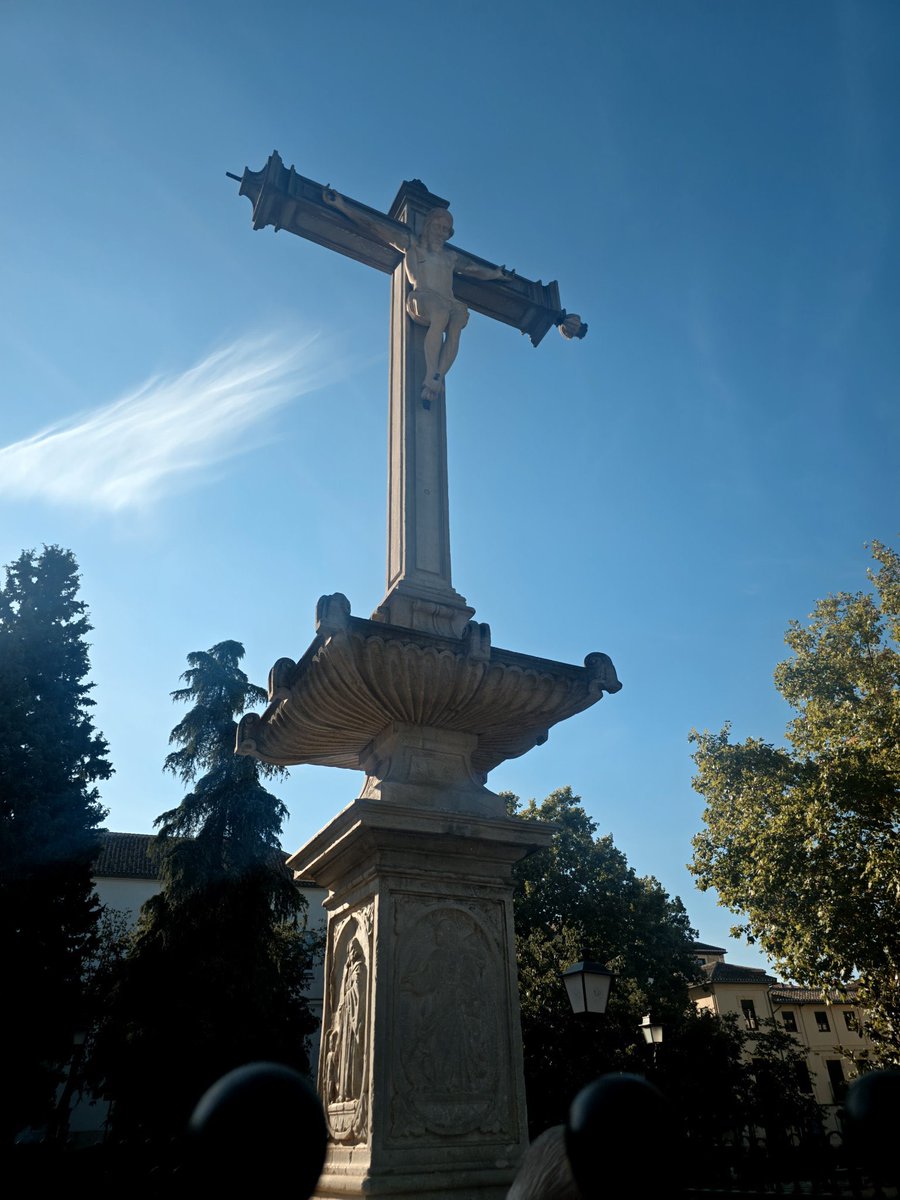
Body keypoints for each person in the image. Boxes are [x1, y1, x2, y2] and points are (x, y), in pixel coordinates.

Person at [323, 188, 514, 404]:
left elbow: (475, 270)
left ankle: (438, 375)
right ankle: (430, 372)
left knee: (458, 316)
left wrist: (496, 274)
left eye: (446, 229)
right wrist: (342, 206)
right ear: (428, 225)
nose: (441, 232)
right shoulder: (412, 245)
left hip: (447, 300)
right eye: (438, 226)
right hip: (421, 298)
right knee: (440, 313)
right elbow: (374, 226)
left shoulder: (451, 258)